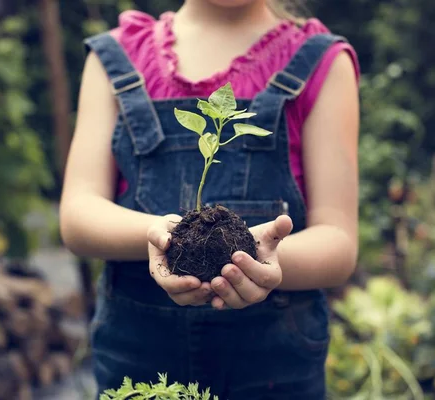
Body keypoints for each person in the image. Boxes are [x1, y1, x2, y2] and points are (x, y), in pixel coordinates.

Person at [60, 0, 360, 398]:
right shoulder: (115, 58)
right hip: (140, 356)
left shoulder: (321, 61)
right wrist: (158, 235)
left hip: (272, 365)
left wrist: (266, 262)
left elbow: (339, 238)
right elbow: (78, 214)